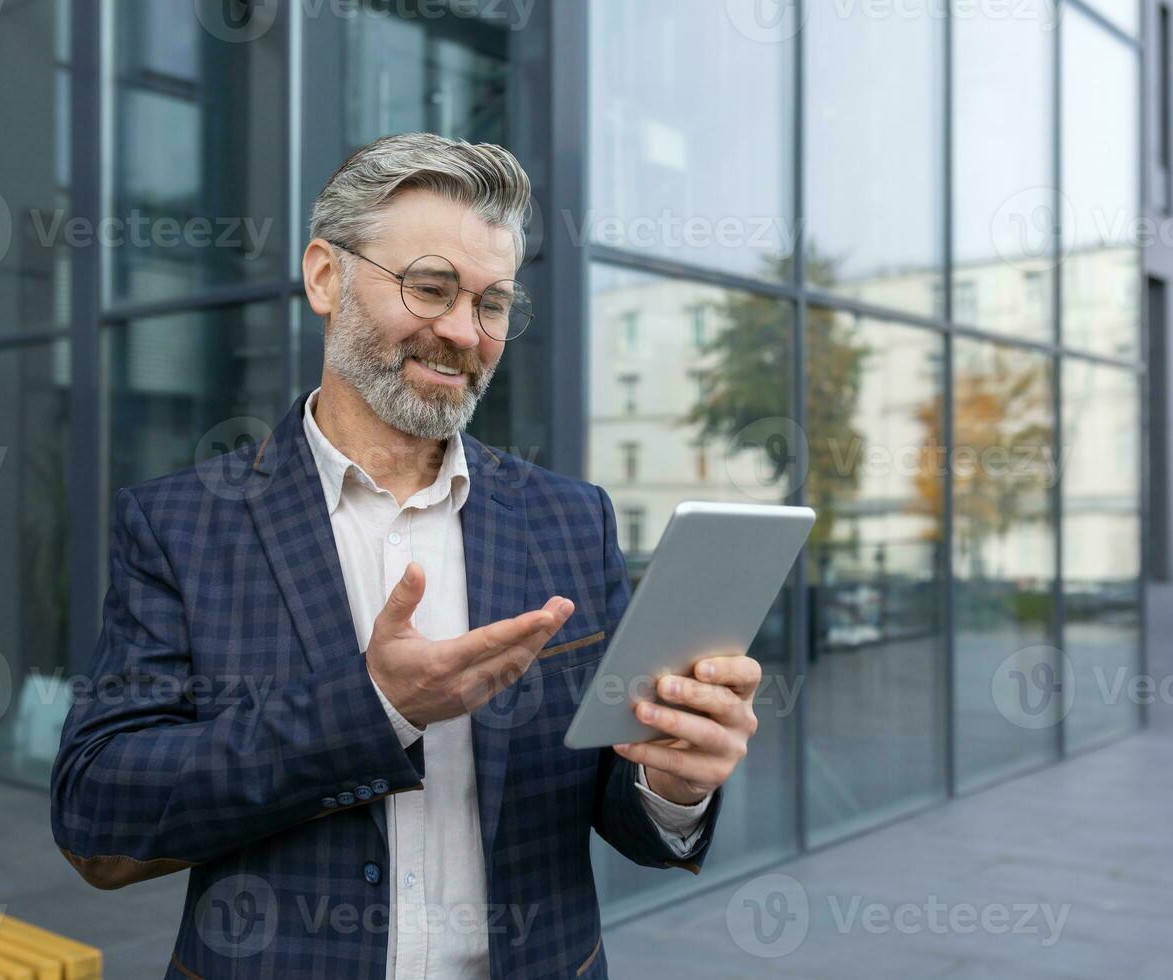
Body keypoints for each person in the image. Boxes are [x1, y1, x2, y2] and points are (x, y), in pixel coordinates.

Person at [50, 132, 761, 979]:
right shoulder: (182, 524)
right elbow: (100, 814)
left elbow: (618, 810)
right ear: (325, 276)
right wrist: (377, 706)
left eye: (493, 303)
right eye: (430, 288)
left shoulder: (571, 520)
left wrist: (675, 784)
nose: (463, 331)